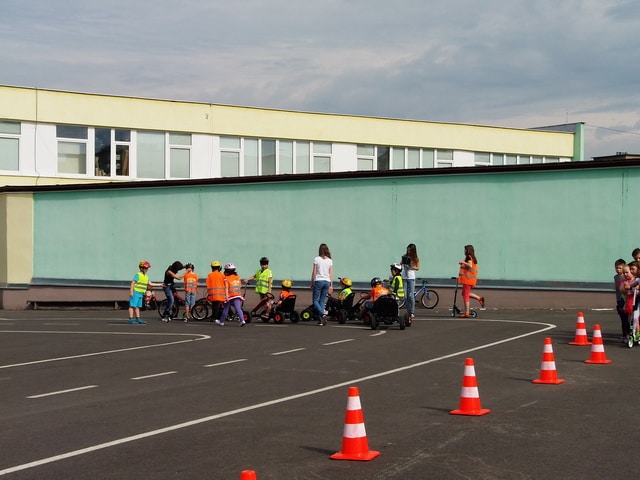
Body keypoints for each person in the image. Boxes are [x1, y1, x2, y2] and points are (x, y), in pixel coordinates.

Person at [128, 260, 162, 325]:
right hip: (135, 292)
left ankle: (138, 318)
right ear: (141, 268)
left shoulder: (146, 276)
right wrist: (131, 291)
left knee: (137, 306)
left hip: (140, 293)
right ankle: (131, 319)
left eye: (147, 268)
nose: (146, 269)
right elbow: (133, 283)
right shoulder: (138, 275)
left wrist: (160, 284)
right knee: (132, 306)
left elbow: (150, 283)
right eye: (145, 268)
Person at [457, 244, 484, 318]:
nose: (464, 251)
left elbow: (470, 265)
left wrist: (463, 263)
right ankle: (479, 298)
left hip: (467, 280)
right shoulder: (473, 258)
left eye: (465, 250)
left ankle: (467, 312)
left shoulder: (468, 257)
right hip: (470, 280)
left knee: (465, 295)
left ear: (468, 251)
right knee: (464, 293)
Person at [311, 243, 333, 325]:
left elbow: (314, 272)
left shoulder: (317, 259)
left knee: (315, 301)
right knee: (322, 301)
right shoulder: (330, 260)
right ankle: (321, 320)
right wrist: (331, 285)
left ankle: (322, 314)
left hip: (318, 281)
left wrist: (312, 282)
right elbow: (331, 274)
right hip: (327, 281)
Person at [401, 244, 420, 325]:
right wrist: (402, 263)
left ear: (413, 251)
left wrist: (411, 266)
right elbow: (401, 264)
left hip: (411, 278)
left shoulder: (415, 258)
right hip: (404, 277)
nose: (408, 252)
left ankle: (411, 312)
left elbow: (418, 268)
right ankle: (408, 311)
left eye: (410, 250)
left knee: (411, 296)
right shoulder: (405, 256)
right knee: (405, 295)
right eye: (408, 250)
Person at [614, 259, 628, 338]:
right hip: (619, 298)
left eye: (620, 268)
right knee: (622, 317)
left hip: (625, 299)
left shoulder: (625, 276)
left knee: (626, 317)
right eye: (617, 268)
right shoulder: (616, 277)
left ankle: (627, 333)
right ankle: (624, 334)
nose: (618, 270)